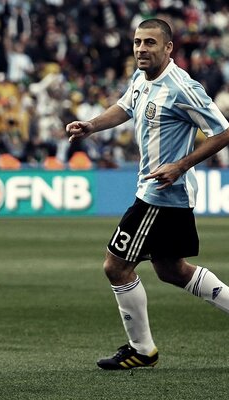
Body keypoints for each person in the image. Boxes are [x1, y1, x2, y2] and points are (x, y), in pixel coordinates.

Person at [66, 18, 229, 370]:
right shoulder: (142, 77)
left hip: (160, 195)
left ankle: (142, 348)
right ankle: (143, 348)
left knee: (116, 266)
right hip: (160, 193)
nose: (141, 48)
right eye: (138, 42)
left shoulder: (182, 87)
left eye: (150, 43)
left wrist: (180, 166)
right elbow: (125, 106)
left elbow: (223, 131)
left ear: (168, 48)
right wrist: (92, 125)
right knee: (172, 270)